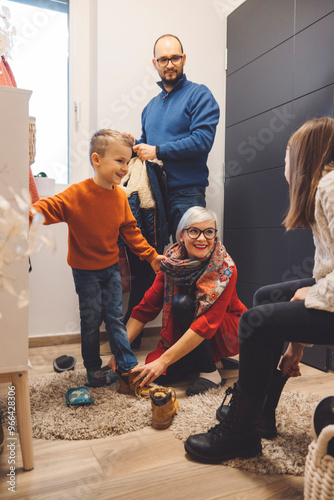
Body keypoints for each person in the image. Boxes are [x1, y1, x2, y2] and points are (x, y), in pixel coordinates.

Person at [183, 116, 334, 463]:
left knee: (257, 320)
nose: (284, 164)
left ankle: (240, 434)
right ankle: (261, 412)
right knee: (267, 298)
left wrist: (313, 295)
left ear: (303, 158)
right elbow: (326, 270)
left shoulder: (330, 187)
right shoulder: (323, 189)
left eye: (286, 155)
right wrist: (296, 345)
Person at [29, 129, 166, 388]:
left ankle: (127, 365)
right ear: (97, 159)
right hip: (85, 272)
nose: (125, 168)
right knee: (90, 320)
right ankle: (93, 368)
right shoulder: (77, 194)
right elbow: (48, 208)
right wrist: (22, 215)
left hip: (111, 269)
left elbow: (131, 231)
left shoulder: (119, 197)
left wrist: (151, 256)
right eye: (119, 161)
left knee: (114, 317)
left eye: (127, 162)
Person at [124, 34, 220, 348]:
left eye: (174, 58)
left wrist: (158, 149)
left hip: (186, 192)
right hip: (155, 197)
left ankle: (198, 351)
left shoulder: (199, 95)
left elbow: (201, 141)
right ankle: (131, 339)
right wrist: (134, 145)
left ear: (183, 59)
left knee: (194, 269)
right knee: (147, 261)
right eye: (163, 59)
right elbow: (148, 148)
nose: (169, 64)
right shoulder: (150, 107)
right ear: (155, 63)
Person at [123, 206, 246, 396]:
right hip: (193, 331)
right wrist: (120, 350)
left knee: (182, 304)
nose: (202, 238)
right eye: (194, 231)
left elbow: (206, 323)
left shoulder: (226, 268)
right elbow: (144, 309)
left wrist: (163, 360)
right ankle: (211, 359)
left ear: (215, 235)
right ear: (181, 235)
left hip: (229, 328)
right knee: (158, 374)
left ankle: (211, 373)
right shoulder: (170, 265)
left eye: (209, 232)